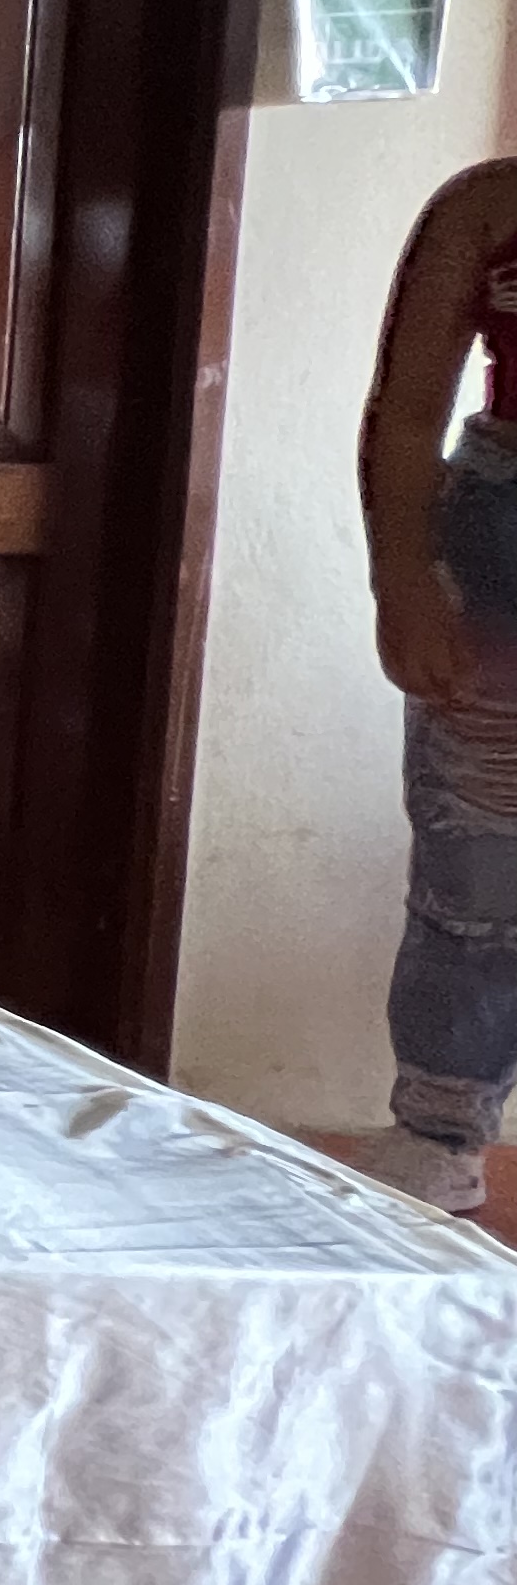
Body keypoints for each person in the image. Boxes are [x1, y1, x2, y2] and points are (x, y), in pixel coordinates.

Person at [351, 162, 517, 1208]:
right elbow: (407, 414)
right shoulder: (485, 208)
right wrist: (402, 582)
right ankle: (442, 1130)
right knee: (478, 869)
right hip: (500, 557)